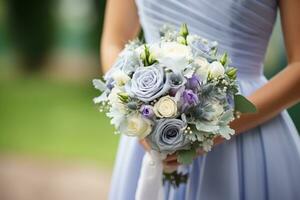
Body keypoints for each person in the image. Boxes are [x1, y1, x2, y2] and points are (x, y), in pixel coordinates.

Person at [101, 0, 300, 199]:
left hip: (245, 130)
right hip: (149, 122)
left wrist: (212, 129)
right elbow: (114, 40)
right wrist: (134, 109)